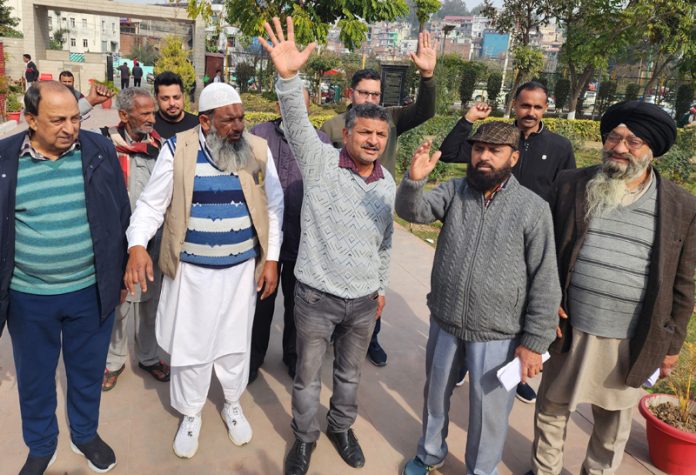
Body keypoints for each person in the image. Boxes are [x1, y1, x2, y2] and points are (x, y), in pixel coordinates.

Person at [529, 101, 696, 475]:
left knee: (613, 423)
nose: (619, 148)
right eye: (613, 138)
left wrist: (671, 347)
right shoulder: (571, 184)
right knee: (552, 410)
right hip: (569, 327)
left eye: (633, 141)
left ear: (652, 150)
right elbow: (544, 250)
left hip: (631, 338)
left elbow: (683, 284)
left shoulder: (681, 206)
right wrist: (544, 302)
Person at [260, 17, 395, 475]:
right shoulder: (319, 162)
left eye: (381, 135)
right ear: (349, 133)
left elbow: (386, 241)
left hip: (361, 302)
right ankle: (303, 437)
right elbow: (295, 121)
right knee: (306, 377)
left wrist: (380, 287)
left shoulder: (387, 182)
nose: (373, 141)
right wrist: (287, 76)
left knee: (350, 376)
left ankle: (340, 426)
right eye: (365, 134)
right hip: (316, 296)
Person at [123, 82, 283, 459]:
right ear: (207, 122)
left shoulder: (256, 150)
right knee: (191, 347)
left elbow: (274, 207)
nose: (239, 125)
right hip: (192, 273)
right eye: (229, 120)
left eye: (242, 117)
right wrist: (136, 246)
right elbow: (150, 205)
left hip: (242, 270)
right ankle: (191, 413)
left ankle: (231, 403)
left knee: (234, 345)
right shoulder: (177, 150)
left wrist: (272, 259)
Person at [396, 121, 561, 475]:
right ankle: (429, 454)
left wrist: (534, 341)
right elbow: (413, 212)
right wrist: (413, 181)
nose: (483, 157)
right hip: (446, 320)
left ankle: (482, 470)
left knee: (489, 413)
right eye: (478, 149)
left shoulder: (532, 208)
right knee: (435, 397)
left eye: (494, 150)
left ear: (513, 158)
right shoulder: (455, 191)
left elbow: (545, 280)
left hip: (498, 333)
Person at [0, 81, 130, 475]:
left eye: (75, 117)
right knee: (35, 378)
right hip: (29, 297)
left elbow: (120, 215)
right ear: (30, 120)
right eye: (58, 120)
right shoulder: (6, 159)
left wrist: (120, 272)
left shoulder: (99, 150)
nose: (70, 128)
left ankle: (85, 434)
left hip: (89, 292)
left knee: (87, 372)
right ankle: (41, 444)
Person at [439, 81, 576, 404]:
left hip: (528, 239)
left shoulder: (558, 147)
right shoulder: (495, 136)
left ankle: (515, 375)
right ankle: (462, 364)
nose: (530, 113)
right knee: (473, 301)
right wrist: (469, 120)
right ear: (515, 105)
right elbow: (448, 153)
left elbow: (565, 198)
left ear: (546, 108)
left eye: (537, 107)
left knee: (519, 312)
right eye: (525, 105)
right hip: (484, 231)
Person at [320, 33, 437, 369]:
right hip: (339, 215)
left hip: (377, 216)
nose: (370, 98)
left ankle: (370, 337)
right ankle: (330, 332)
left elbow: (426, 110)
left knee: (374, 282)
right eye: (364, 92)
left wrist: (427, 77)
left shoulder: (390, 120)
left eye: (375, 93)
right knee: (335, 276)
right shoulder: (333, 127)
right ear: (350, 94)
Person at [248, 88, 331, 384]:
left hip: (302, 238)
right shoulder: (258, 136)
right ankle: (252, 358)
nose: (295, 110)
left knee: (298, 306)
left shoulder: (320, 142)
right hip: (263, 240)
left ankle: (293, 357)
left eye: (301, 105)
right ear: (278, 105)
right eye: (288, 104)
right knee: (260, 303)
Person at [99, 88, 169, 391]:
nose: (152, 119)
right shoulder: (102, 145)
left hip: (151, 242)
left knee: (149, 303)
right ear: (124, 115)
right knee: (118, 304)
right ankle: (113, 361)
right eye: (145, 113)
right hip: (114, 241)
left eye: (153, 113)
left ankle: (149, 356)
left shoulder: (161, 148)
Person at [153, 71, 200, 139]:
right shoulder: (149, 127)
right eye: (165, 98)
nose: (172, 103)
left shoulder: (197, 125)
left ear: (183, 96)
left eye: (176, 97)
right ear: (156, 98)